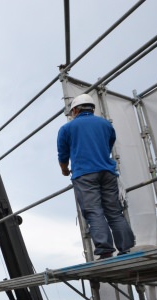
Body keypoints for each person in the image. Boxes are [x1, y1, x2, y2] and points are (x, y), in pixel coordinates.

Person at [57, 93, 135, 260]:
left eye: (72, 112)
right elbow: (108, 146)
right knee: (114, 211)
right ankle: (126, 249)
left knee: (94, 211)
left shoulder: (67, 128)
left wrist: (65, 170)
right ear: (91, 109)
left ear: (76, 110)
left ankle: (105, 250)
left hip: (84, 174)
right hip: (107, 172)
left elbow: (63, 155)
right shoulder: (106, 125)